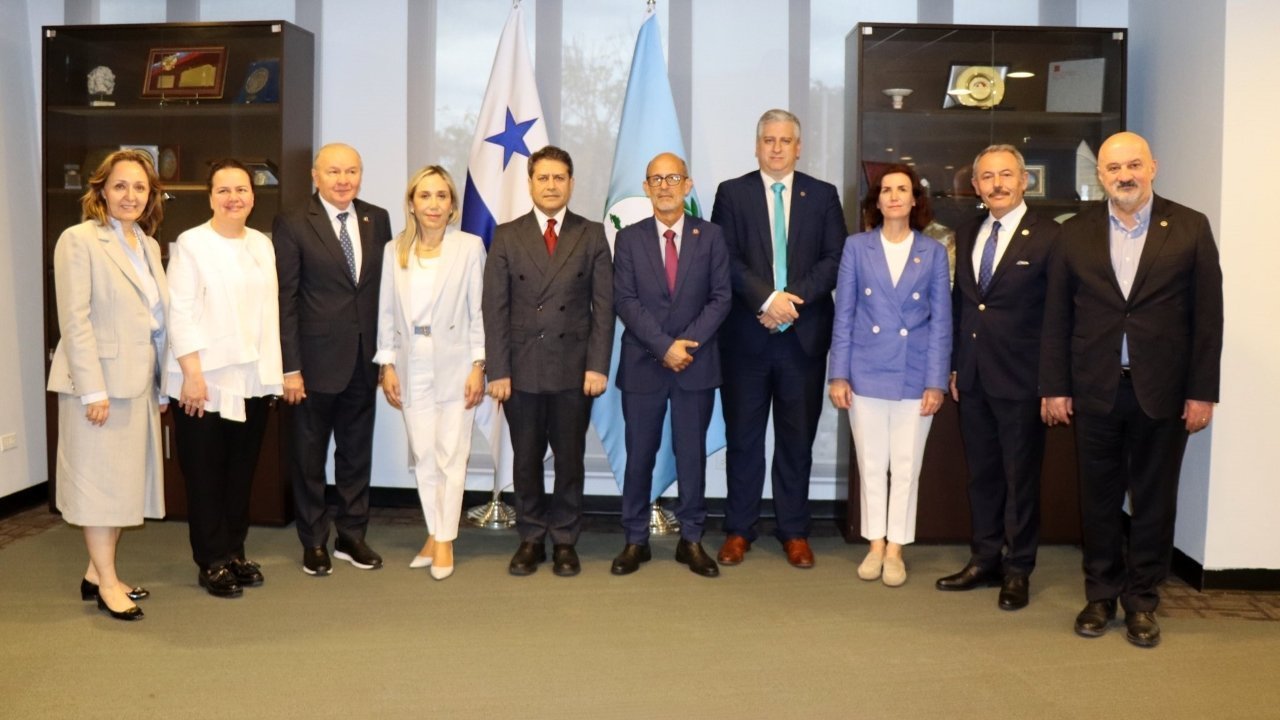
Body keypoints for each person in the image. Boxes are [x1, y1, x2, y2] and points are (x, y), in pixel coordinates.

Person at [1041, 131, 1223, 648]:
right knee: (1097, 500)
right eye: (1114, 167)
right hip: (1094, 388)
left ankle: (1142, 600)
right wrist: (1055, 386)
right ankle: (1100, 595)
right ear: (1100, 175)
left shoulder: (1189, 226)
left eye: (1134, 165)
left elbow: (1208, 318)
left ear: (1152, 167)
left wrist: (1202, 392)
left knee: (1154, 501)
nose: (1125, 175)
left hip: (1163, 392)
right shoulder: (1073, 233)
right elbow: (1057, 317)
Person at [710, 109, 846, 569]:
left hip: (802, 340)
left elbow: (834, 259)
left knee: (796, 440)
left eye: (785, 140)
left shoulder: (822, 195)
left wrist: (790, 301)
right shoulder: (732, 193)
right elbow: (724, 257)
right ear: (756, 146)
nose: (776, 148)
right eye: (768, 140)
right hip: (746, 339)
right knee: (743, 439)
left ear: (798, 147)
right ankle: (739, 529)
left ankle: (794, 531)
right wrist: (767, 299)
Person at [935, 145, 1061, 611]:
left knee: (1020, 479)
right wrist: (955, 364)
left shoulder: (1051, 235)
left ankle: (1018, 568)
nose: (997, 184)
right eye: (987, 177)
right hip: (973, 377)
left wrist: (1053, 383)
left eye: (1006, 175)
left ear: (1025, 180)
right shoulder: (968, 232)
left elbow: (1058, 314)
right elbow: (965, 304)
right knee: (983, 476)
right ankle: (985, 559)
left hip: (1024, 381)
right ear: (975, 186)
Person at [47, 149, 168, 621]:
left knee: (122, 487)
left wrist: (160, 383)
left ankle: (97, 573)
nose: (130, 196)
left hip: (137, 384)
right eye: (120, 186)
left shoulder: (147, 244)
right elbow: (74, 321)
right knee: (100, 489)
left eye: (140, 187)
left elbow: (155, 321)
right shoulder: (79, 240)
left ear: (150, 195)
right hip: (99, 387)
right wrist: (92, 390)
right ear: (101, 190)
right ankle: (108, 584)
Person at [482, 145, 613, 577]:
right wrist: (498, 369)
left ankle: (565, 539)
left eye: (559, 178)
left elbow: (603, 307)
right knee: (526, 459)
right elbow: (494, 308)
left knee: (570, 459)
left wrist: (597, 365)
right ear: (530, 183)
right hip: (521, 369)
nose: (551, 185)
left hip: (574, 370)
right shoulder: (507, 235)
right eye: (543, 178)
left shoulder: (591, 234)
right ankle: (532, 536)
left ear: (571, 184)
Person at [828, 164, 951, 587]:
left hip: (914, 372)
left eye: (902, 189)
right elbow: (844, 314)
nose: (894, 196)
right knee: (871, 462)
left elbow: (942, 322)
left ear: (915, 199)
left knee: (906, 465)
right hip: (865, 370)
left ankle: (896, 547)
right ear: (876, 201)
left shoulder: (933, 252)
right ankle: (875, 544)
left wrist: (935, 381)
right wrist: (838, 374)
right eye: (886, 190)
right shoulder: (856, 247)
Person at [164, 159, 283, 598]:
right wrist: (192, 375)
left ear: (253, 196)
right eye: (224, 190)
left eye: (242, 189)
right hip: (204, 381)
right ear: (210, 197)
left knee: (240, 473)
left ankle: (234, 551)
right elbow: (180, 312)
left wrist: (272, 375)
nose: (234, 198)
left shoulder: (261, 244)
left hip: (250, 379)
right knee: (205, 476)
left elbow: (268, 313)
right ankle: (211, 559)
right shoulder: (192, 243)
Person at [610, 153, 731, 578]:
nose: (664, 186)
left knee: (691, 456)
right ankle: (635, 539)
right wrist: (664, 347)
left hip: (695, 365)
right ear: (646, 188)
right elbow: (625, 300)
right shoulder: (629, 239)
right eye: (656, 179)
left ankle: (691, 539)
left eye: (673, 178)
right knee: (639, 456)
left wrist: (685, 347)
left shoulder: (711, 236)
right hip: (644, 364)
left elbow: (721, 298)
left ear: (687, 185)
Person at [274, 143, 392, 576]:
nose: (344, 180)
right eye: (334, 171)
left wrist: (386, 355)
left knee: (356, 454)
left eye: (352, 171)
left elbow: (382, 292)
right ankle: (313, 541)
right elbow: (286, 297)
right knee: (309, 459)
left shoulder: (377, 218)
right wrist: (291, 367)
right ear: (315, 175)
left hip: (363, 359)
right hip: (313, 364)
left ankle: (351, 535)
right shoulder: (292, 221)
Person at [374, 166, 486, 581]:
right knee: (423, 453)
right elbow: (386, 312)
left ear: (452, 205)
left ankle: (444, 540)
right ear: (412, 203)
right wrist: (387, 364)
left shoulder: (469, 247)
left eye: (441, 196)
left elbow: (478, 310)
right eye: (425, 196)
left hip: (457, 361)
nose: (433, 204)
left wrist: (479, 364)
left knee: (451, 453)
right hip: (411, 360)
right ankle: (435, 531)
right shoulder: (395, 250)